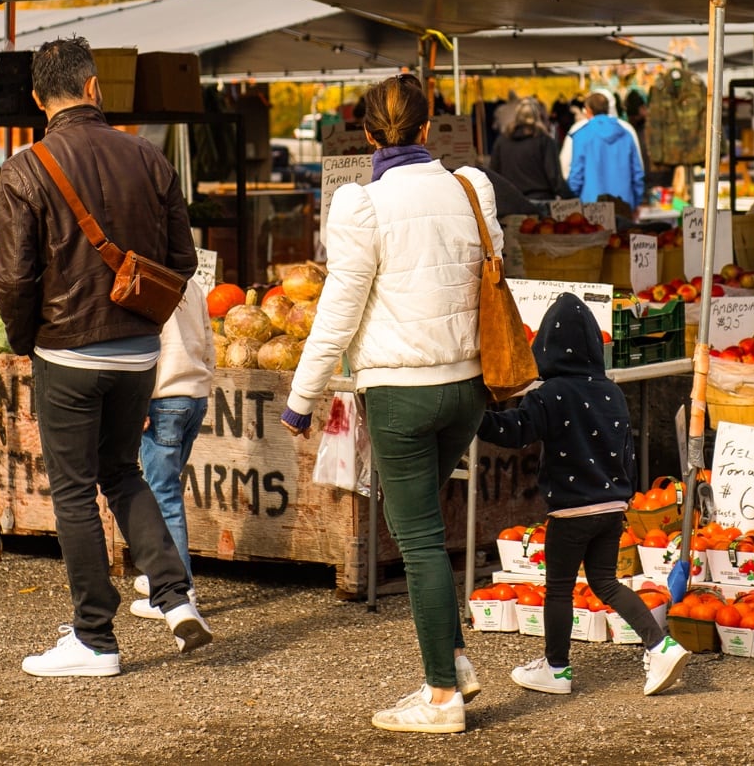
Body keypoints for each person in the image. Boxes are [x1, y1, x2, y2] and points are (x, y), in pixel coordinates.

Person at [282, 72, 497, 735]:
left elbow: (339, 310)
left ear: (368, 134)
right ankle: (453, 662)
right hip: (468, 389)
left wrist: (300, 398)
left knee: (420, 541)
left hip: (402, 393)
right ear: (428, 128)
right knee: (420, 528)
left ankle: (440, 697)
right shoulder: (471, 187)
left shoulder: (361, 205)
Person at [0, 36, 207, 678]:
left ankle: (95, 640)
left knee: (75, 491)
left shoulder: (23, 169)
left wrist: (25, 338)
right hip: (142, 353)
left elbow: (12, 280)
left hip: (68, 352)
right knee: (124, 473)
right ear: (94, 89)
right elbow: (184, 263)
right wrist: (142, 318)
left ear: (37, 100)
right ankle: (175, 597)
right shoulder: (149, 157)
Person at [477, 292, 690, 697]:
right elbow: (626, 450)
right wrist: (624, 496)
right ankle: (660, 644)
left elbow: (515, 431)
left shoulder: (549, 394)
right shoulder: (611, 391)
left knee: (558, 588)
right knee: (606, 582)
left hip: (571, 513)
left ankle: (556, 669)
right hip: (613, 507)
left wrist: (474, 416)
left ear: (546, 345)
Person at [130, 277, 214, 620]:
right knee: (169, 489)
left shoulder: (145, 283)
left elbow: (142, 349)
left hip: (163, 400)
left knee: (162, 494)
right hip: (195, 397)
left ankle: (179, 591)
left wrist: (136, 403)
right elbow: (209, 341)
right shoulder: (190, 284)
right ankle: (164, 576)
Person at [567, 91, 645, 213]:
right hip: (624, 203)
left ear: (588, 110)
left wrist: (571, 200)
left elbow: (576, 175)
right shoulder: (626, 133)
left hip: (591, 205)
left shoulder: (581, 135)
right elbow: (637, 173)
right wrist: (637, 202)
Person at [489, 98, 569, 204]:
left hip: (512, 203)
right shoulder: (544, 140)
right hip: (541, 202)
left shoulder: (502, 141)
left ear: (516, 116)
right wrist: (570, 199)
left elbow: (494, 174)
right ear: (538, 116)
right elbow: (554, 177)